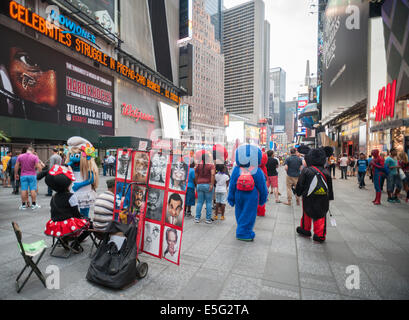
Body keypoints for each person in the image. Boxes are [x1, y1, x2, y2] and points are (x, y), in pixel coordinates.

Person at [44, 165, 90, 253]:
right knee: (89, 224)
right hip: (67, 225)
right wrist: (83, 218)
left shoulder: (53, 197)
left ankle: (64, 239)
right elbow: (76, 213)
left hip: (55, 224)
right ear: (68, 184)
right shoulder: (71, 197)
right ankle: (76, 244)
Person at [227, 144, 268, 241]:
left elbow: (232, 184)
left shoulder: (236, 169)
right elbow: (262, 187)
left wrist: (231, 198)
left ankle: (241, 228)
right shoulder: (256, 170)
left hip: (238, 194)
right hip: (251, 195)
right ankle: (244, 233)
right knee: (249, 213)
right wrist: (262, 199)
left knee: (239, 211)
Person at [295, 148, 334, 243]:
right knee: (320, 215)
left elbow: (300, 184)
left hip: (308, 197)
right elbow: (330, 187)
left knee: (307, 213)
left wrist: (298, 192)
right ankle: (319, 234)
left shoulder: (306, 170)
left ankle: (305, 229)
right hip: (322, 198)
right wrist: (330, 197)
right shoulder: (326, 172)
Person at [66, 136, 99, 218]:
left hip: (84, 192)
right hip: (73, 192)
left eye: (76, 156)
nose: (73, 157)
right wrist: (68, 166)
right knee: (73, 211)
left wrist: (79, 185)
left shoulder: (87, 167)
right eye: (71, 155)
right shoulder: (72, 166)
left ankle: (84, 227)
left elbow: (91, 179)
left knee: (84, 213)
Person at [194, 150, 215, 224]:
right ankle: (208, 219)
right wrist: (212, 184)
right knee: (209, 202)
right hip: (207, 184)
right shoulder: (211, 165)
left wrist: (197, 184)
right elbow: (212, 175)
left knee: (199, 202)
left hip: (199, 184)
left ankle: (197, 218)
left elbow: (195, 175)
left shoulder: (198, 165)